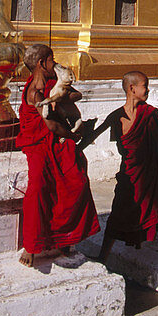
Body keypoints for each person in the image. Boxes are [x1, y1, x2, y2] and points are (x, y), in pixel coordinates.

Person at [86, 70, 158, 265]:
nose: (148, 90)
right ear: (132, 89)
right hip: (129, 174)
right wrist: (74, 144)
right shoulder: (116, 116)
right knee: (119, 211)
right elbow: (93, 136)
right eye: (145, 86)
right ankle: (103, 255)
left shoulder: (150, 114)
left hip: (151, 172)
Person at [16, 43, 99, 268]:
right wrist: (73, 137)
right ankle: (31, 245)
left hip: (59, 142)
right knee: (38, 187)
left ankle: (66, 239)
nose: (55, 64)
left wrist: (61, 95)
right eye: (52, 61)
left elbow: (76, 94)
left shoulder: (53, 85)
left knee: (77, 181)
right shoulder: (34, 91)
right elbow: (51, 125)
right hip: (40, 144)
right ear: (42, 63)